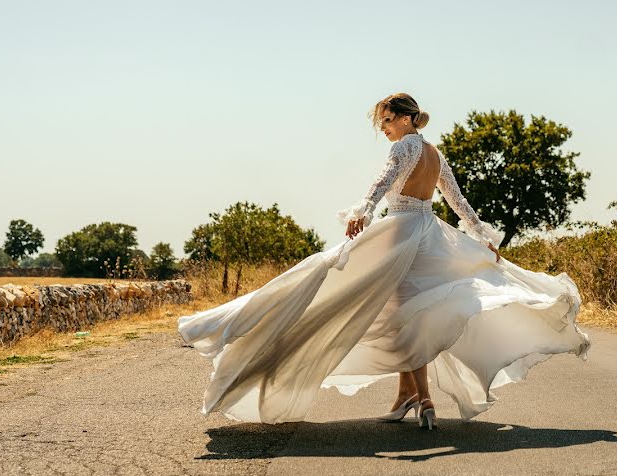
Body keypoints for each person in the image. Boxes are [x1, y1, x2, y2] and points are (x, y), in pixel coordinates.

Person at [177, 93, 591, 429]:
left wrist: (362, 210)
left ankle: (419, 396)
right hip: (430, 235)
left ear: (407, 119)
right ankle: (413, 396)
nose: (386, 129)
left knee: (358, 298)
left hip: (401, 233)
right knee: (408, 317)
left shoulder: (407, 146)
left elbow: (384, 181)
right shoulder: (435, 153)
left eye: (388, 120)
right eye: (383, 124)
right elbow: (457, 202)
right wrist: (481, 235)